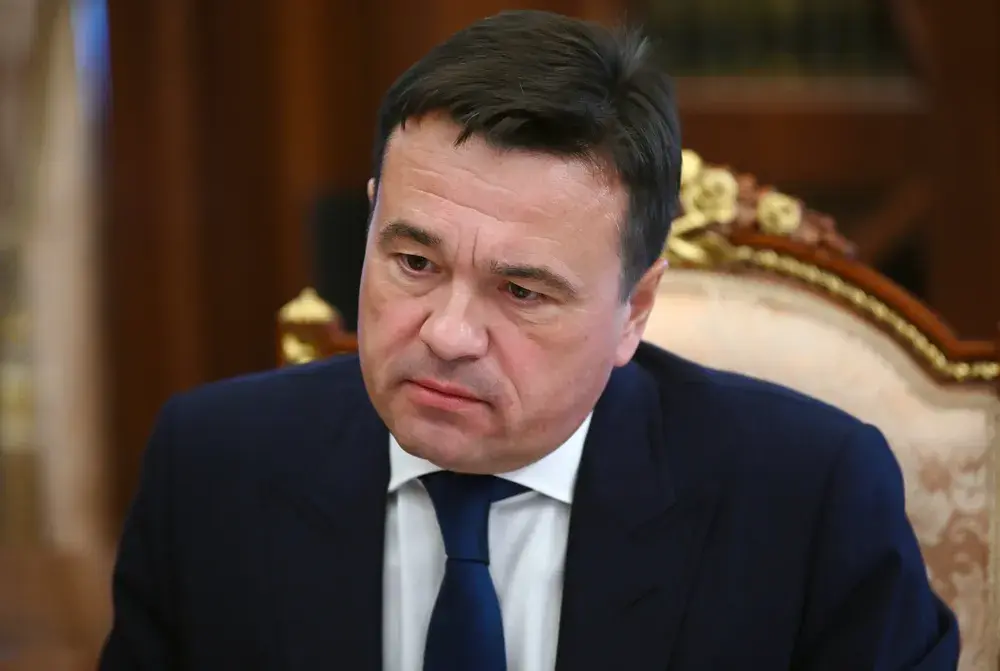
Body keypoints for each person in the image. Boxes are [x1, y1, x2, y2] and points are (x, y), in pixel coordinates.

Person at [98, 10, 959, 671]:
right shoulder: (210, 470)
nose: (448, 333)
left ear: (634, 309)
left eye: (521, 291)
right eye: (413, 261)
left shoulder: (808, 502)